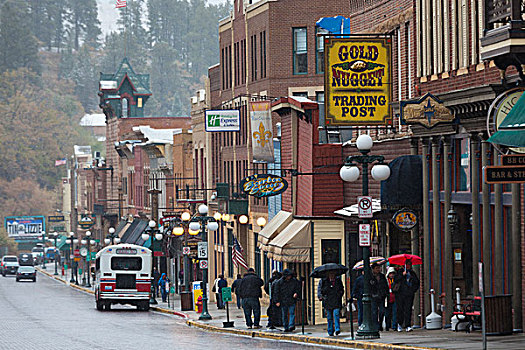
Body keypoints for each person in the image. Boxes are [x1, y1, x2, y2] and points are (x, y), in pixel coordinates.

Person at [393, 260, 419, 332]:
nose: (408, 266)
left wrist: (413, 290)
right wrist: (402, 275)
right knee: (400, 309)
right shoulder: (399, 272)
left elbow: (416, 282)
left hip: (409, 294)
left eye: (410, 265)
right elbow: (395, 280)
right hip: (400, 294)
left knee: (408, 309)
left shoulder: (412, 273)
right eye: (407, 265)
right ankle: (399, 324)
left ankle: (408, 325)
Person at [319, 271, 344, 336]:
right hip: (328, 301)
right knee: (329, 317)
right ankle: (330, 330)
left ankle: (337, 329)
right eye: (330, 274)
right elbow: (322, 290)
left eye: (333, 274)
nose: (332, 276)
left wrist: (339, 294)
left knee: (336, 314)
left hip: (336, 301)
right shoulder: (325, 282)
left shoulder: (338, 281)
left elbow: (341, 289)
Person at [370, 262, 388, 331]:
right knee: (374, 312)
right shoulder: (370, 277)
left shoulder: (382, 276)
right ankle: (376, 326)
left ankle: (380, 324)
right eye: (376, 268)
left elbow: (385, 285)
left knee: (382, 311)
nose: (378, 269)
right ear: (373, 269)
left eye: (379, 268)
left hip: (381, 296)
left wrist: (385, 293)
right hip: (373, 297)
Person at [384, 266, 397, 331]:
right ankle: (387, 326)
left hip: (394, 298)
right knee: (387, 313)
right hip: (388, 298)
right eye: (390, 273)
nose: (392, 275)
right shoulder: (386, 280)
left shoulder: (396, 280)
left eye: (393, 273)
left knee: (395, 312)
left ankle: (394, 326)